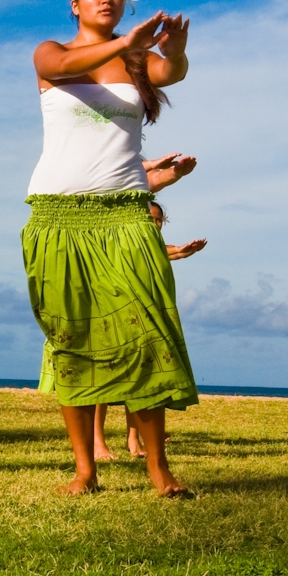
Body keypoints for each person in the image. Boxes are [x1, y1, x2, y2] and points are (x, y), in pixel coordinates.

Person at [23, 0, 198, 497]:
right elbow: (71, 63)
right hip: (58, 216)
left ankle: (159, 471)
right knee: (72, 340)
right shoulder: (50, 53)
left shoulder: (137, 62)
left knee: (146, 335)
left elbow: (175, 73)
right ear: (75, 4)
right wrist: (126, 43)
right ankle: (84, 470)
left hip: (126, 214)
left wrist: (177, 48)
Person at [94, 186, 207, 461]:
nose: (156, 224)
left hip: (148, 316)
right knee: (104, 377)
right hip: (118, 313)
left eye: (159, 220)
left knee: (141, 376)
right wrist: (179, 251)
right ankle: (97, 443)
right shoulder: (122, 241)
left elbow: (171, 252)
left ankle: (133, 439)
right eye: (151, 219)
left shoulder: (155, 246)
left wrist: (183, 250)